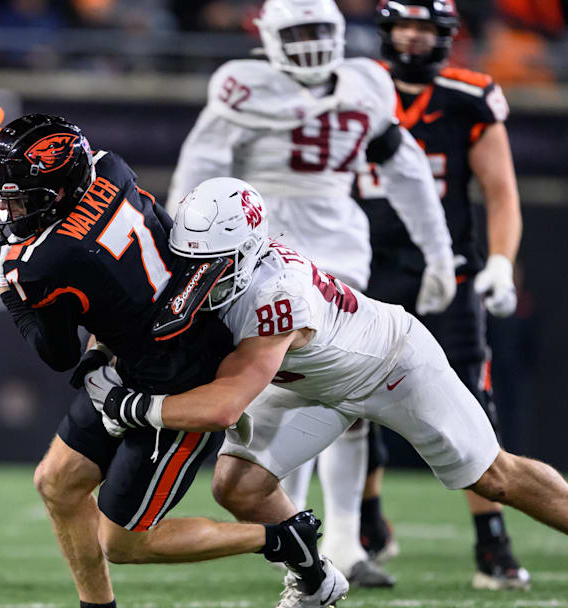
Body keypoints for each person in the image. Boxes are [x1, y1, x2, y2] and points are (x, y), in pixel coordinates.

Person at [88, 177, 568, 608]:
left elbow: (223, 406)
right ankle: (315, 579)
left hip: (392, 365)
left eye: (213, 262)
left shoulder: (276, 295)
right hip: (308, 384)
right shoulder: (206, 261)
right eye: (193, 260)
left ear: (248, 251)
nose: (199, 274)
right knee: (238, 486)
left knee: (493, 476)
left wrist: (132, 407)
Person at [0, 114, 348, 608]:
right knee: (57, 483)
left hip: (174, 377)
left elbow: (57, 353)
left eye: (22, 199)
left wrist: (12, 293)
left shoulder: (48, 260)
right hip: (137, 353)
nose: (10, 211)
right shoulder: (112, 170)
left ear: (61, 190)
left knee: (124, 543)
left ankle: (281, 538)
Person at [166, 0, 458, 587]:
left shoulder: (365, 84)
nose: (309, 44)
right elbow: (198, 173)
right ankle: (300, 540)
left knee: (351, 398)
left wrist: (439, 249)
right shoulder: (241, 87)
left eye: (318, 31)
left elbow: (406, 171)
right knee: (279, 396)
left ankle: (346, 541)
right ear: (269, 36)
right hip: (261, 250)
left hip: (340, 247)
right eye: (296, 32)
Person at [353, 0, 530, 590]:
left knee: (472, 403)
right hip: (363, 267)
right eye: (404, 24)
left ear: (446, 36)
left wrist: (501, 262)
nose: (411, 37)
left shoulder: (466, 97)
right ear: (385, 29)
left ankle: (492, 541)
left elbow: (501, 193)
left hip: (443, 269)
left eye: (424, 27)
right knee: (346, 397)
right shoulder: (353, 88)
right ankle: (365, 521)